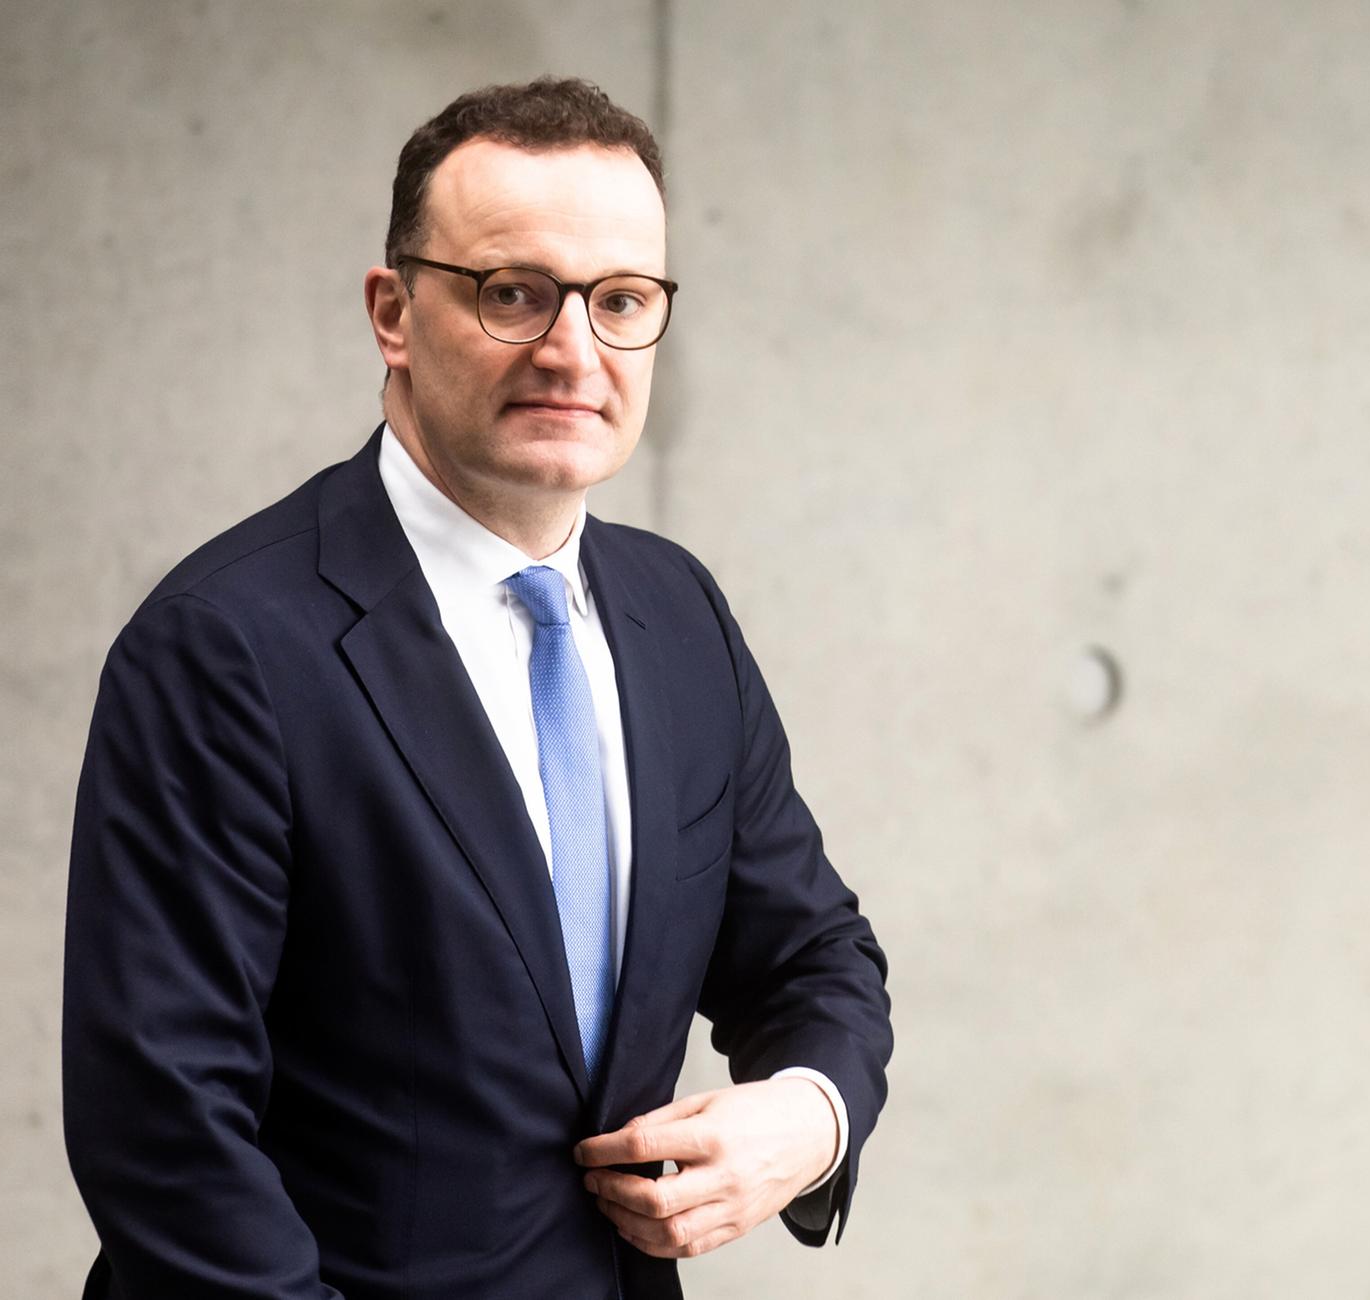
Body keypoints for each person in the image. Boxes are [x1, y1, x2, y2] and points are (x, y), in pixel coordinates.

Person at [61, 77, 893, 1299]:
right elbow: (165, 1134)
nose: (573, 351)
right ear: (392, 313)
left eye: (620, 300)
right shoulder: (222, 646)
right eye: (512, 293)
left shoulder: (678, 615)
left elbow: (811, 954)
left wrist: (807, 1116)